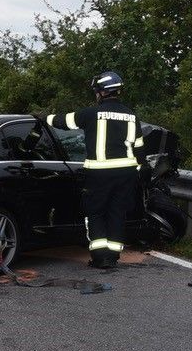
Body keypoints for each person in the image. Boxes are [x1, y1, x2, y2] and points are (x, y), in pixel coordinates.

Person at [41, 71, 144, 269]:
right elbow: (139, 147)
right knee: (117, 212)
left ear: (101, 92)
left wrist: (45, 118)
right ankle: (113, 257)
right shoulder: (131, 116)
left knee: (95, 213)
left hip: (99, 174)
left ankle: (100, 258)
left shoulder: (90, 114)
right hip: (126, 173)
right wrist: (138, 169)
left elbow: (64, 122)